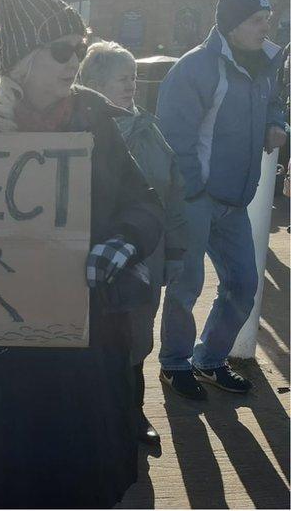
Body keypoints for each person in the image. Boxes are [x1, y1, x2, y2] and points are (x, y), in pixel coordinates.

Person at [0, 0, 164, 507]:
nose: (76, 61)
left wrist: (120, 245)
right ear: (24, 58)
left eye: (81, 48)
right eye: (63, 50)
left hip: (86, 340)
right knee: (13, 478)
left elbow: (143, 202)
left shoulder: (95, 118)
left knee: (83, 474)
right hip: (3, 347)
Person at [156, 0, 287, 399]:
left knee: (244, 284)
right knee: (186, 286)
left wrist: (277, 121)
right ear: (232, 25)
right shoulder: (195, 67)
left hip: (235, 202)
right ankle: (175, 364)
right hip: (197, 200)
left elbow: (275, 100)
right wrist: (194, 192)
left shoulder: (265, 64)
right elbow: (175, 136)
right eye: (257, 21)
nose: (267, 27)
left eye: (267, 19)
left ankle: (209, 360)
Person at [79, 40, 189, 446]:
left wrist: (176, 250)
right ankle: (93, 419)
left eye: (134, 77)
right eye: (123, 78)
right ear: (94, 84)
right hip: (90, 266)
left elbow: (172, 194)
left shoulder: (149, 128)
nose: (132, 85)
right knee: (94, 343)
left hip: (146, 259)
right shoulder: (78, 132)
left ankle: (133, 413)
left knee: (138, 341)